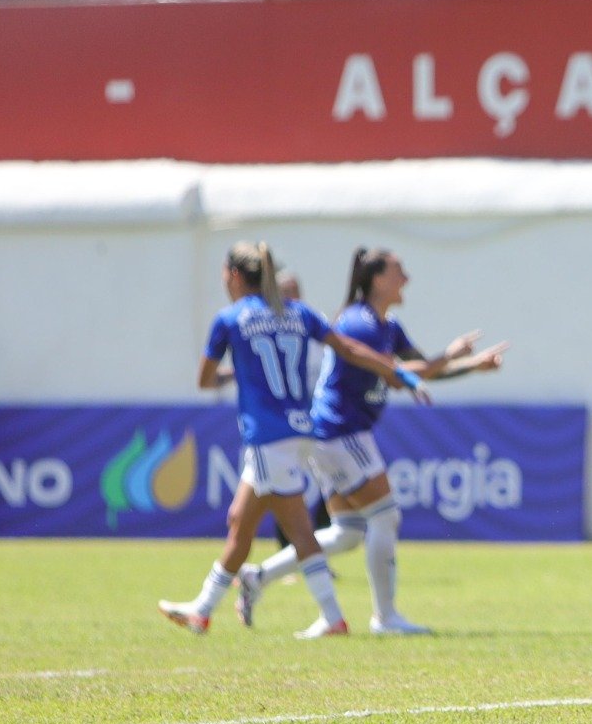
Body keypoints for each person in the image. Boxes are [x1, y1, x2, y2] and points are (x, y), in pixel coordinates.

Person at [159, 241, 427, 637]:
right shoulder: (300, 314)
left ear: (233, 275)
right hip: (302, 429)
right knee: (252, 523)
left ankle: (327, 617)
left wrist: (240, 374)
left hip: (267, 434)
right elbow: (350, 350)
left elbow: (205, 380)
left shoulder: (230, 319)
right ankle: (205, 608)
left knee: (286, 530)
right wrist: (399, 373)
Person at [236, 247, 506, 636]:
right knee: (386, 515)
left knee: (347, 532)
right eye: (399, 271)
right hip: (342, 431)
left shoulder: (386, 325)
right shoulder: (359, 323)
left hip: (331, 434)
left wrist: (467, 365)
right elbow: (401, 373)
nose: (407, 279)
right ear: (377, 279)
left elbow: (420, 369)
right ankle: (386, 618)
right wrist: (451, 357)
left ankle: (257, 576)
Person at [214, 269, 335, 551]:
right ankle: (290, 557)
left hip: (312, 421)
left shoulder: (308, 322)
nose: (290, 296)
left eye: (295, 290)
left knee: (326, 486)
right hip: (278, 429)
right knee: (272, 505)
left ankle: (295, 558)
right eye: (284, 291)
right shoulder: (263, 326)